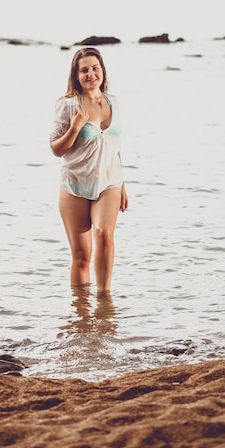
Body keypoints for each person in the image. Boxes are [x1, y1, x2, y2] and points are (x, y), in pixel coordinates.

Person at [50, 46, 128, 292]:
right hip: (75, 183)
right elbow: (56, 149)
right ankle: (81, 315)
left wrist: (123, 184)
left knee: (104, 237)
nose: (91, 74)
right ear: (76, 75)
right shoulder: (67, 105)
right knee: (81, 256)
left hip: (110, 182)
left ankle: (105, 306)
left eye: (95, 68)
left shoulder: (113, 102)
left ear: (103, 70)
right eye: (84, 70)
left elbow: (115, 146)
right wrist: (74, 128)